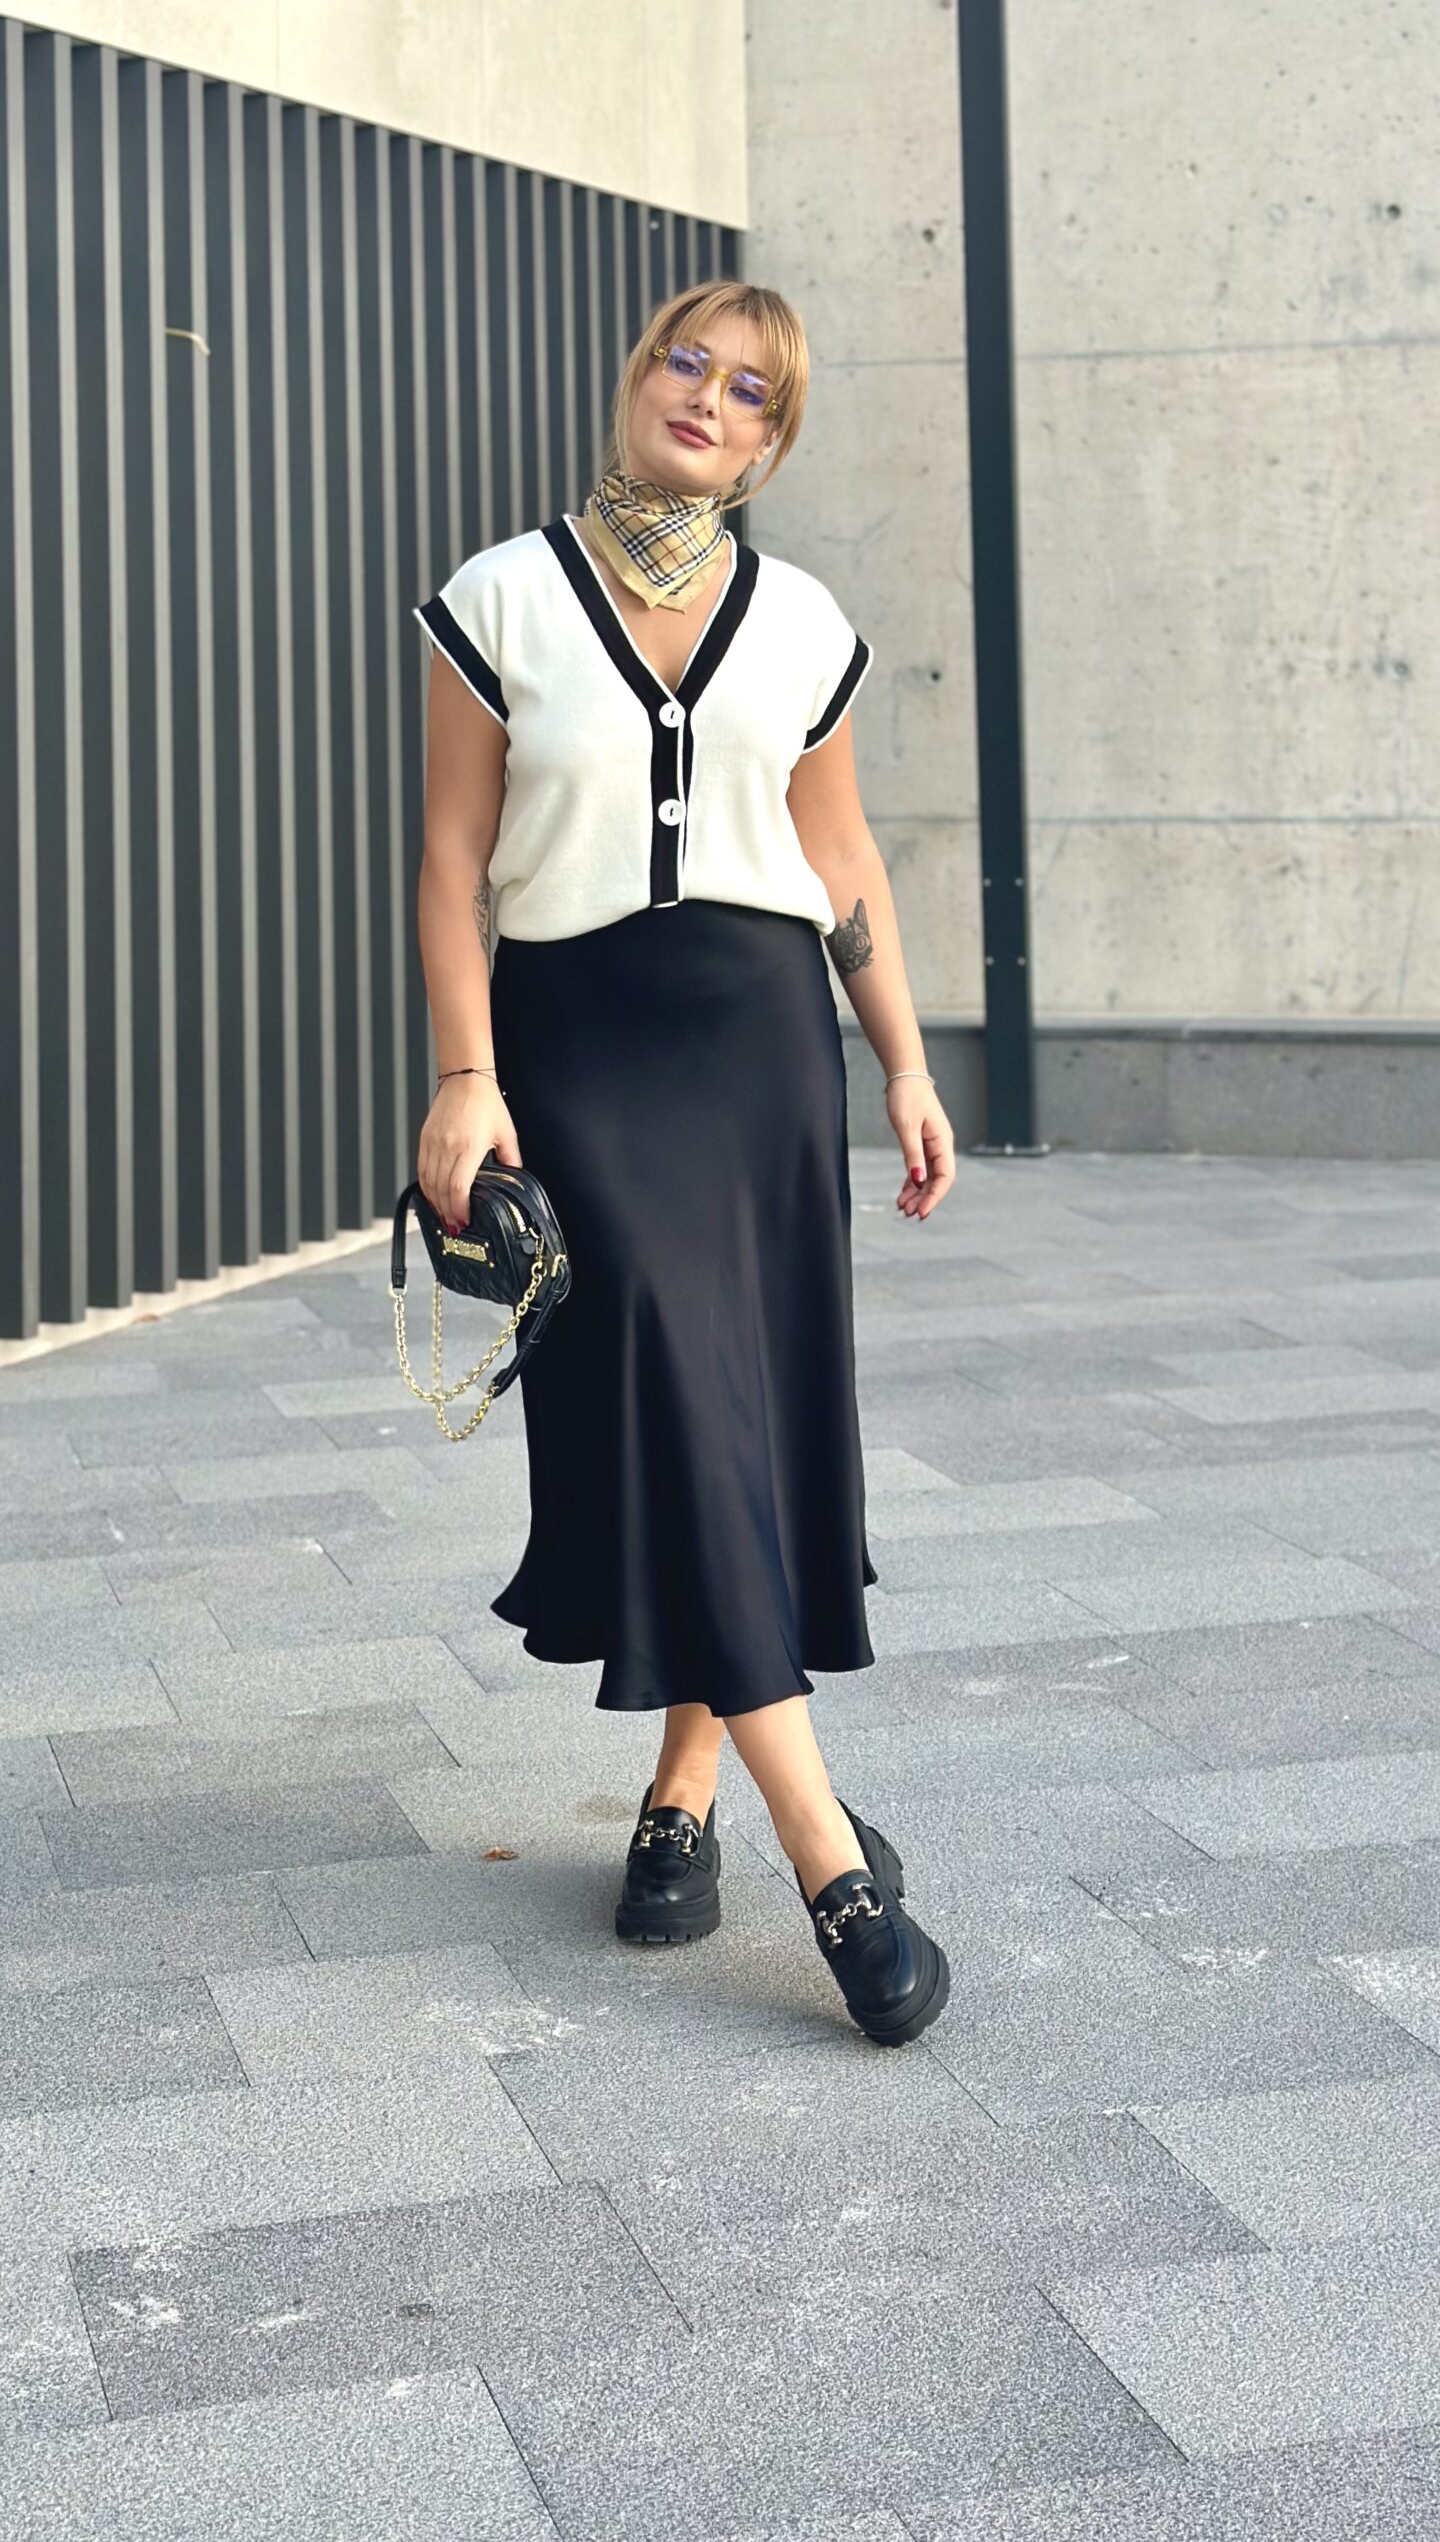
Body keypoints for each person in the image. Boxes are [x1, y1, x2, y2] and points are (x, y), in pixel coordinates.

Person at [411, 280, 955, 2047]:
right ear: (638, 378)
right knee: (664, 1385)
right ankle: (830, 1860)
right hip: (577, 1049)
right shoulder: (502, 595)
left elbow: (840, 854)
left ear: (770, 445)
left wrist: (904, 1061)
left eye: (753, 392)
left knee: (736, 1417)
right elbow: (453, 855)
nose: (709, 399)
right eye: (687, 363)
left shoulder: (801, 621)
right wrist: (466, 1076)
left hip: (759, 1047)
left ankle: (683, 1797)